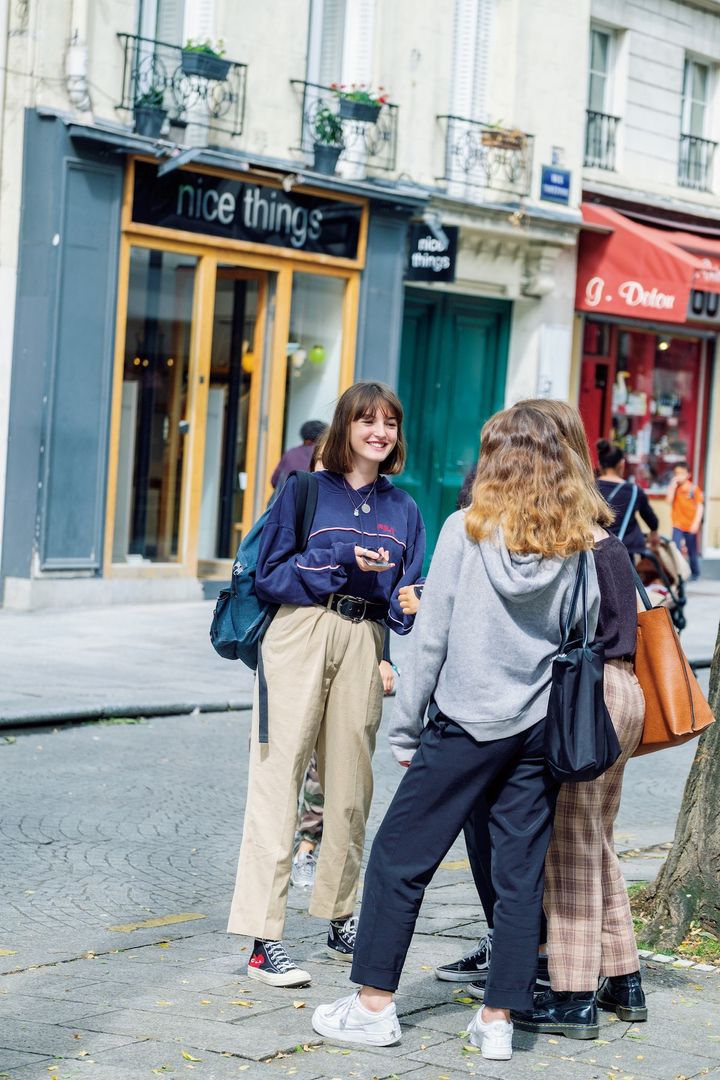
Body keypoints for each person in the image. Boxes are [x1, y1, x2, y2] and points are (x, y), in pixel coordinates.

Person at [312, 402, 601, 1061]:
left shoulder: (463, 530)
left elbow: (431, 639)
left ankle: (374, 1006)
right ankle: (498, 1020)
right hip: (535, 725)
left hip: (466, 721)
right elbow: (582, 623)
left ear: (497, 459)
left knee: (398, 857)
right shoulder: (576, 542)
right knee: (519, 870)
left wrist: (408, 732)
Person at [450, 400, 647, 1040]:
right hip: (623, 693)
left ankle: (572, 995)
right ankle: (625, 980)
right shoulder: (604, 534)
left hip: (585, 696)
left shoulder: (570, 538)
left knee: (567, 850)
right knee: (596, 843)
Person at [227, 382, 425, 988]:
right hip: (300, 634)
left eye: (389, 422)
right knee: (278, 779)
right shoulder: (304, 491)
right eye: (367, 420)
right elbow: (270, 575)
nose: (379, 431)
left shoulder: (406, 510)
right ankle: (264, 939)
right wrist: (340, 563)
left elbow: (404, 596)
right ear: (345, 427)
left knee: (349, 788)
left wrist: (411, 605)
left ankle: (340, 916)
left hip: (364, 641)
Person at [596, 440, 658, 554]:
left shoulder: (589, 487)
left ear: (599, 464)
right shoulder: (634, 491)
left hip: (593, 550)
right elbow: (651, 520)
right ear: (622, 464)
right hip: (625, 552)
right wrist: (654, 533)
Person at [666, 460, 703, 580]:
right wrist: (672, 486)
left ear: (688, 475)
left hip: (690, 525)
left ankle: (695, 572)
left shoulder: (693, 489)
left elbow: (700, 506)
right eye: (676, 473)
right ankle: (678, 572)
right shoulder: (675, 488)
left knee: (692, 550)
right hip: (677, 524)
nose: (679, 476)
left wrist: (696, 523)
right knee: (675, 549)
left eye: (681, 473)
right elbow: (668, 501)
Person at [270, 419, 327, 488]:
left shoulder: (290, 453)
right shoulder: (323, 454)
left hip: (289, 496)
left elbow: (274, 481)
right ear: (323, 437)